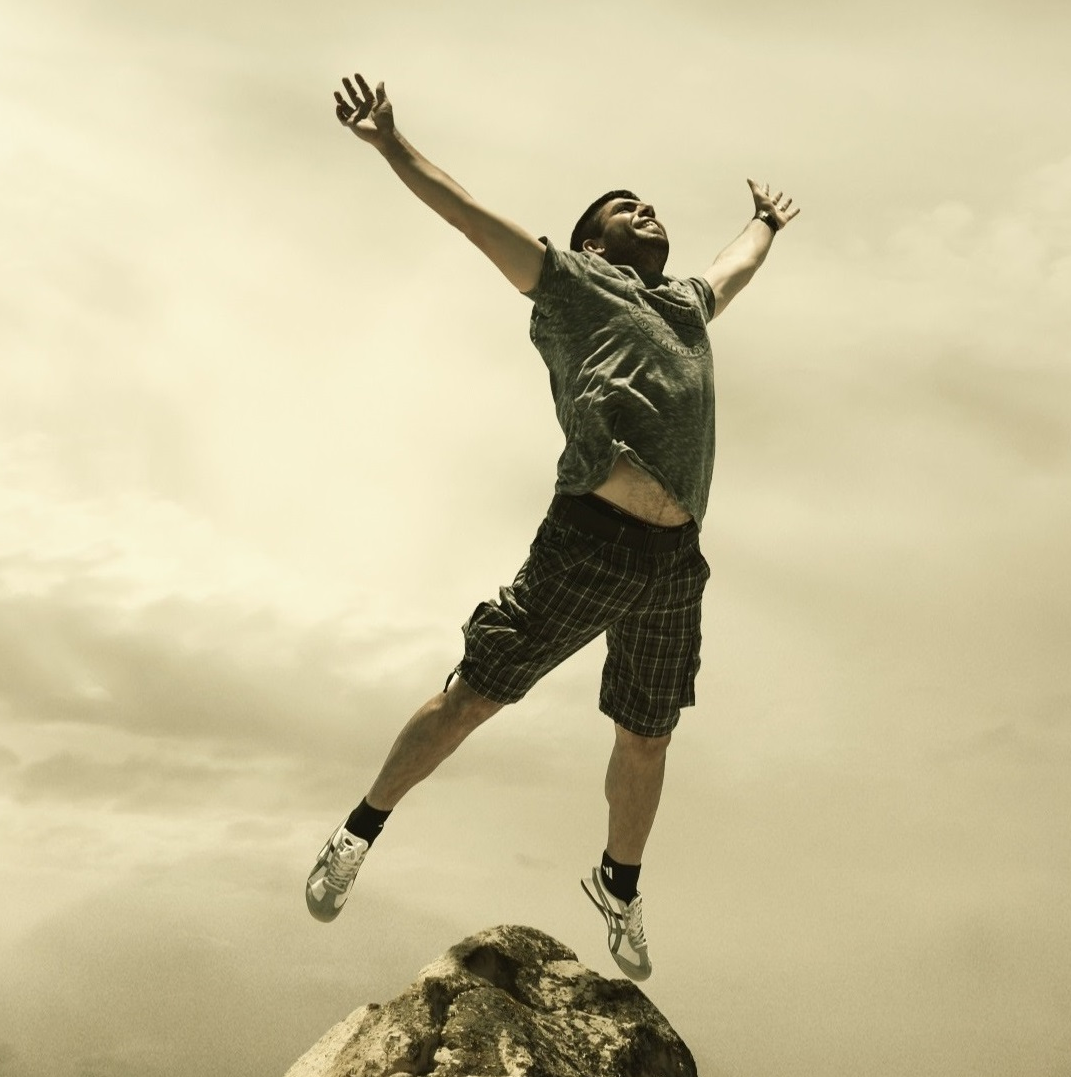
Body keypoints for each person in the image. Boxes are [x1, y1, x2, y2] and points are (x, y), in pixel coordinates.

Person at [304, 72, 798, 981]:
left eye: (652, 207)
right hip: (589, 539)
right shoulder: (570, 285)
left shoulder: (684, 306)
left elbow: (734, 268)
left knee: (648, 734)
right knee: (477, 695)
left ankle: (619, 886)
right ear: (590, 239)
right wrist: (390, 142)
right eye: (625, 207)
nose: (645, 211)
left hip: (673, 561)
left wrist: (765, 221)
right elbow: (467, 215)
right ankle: (357, 829)